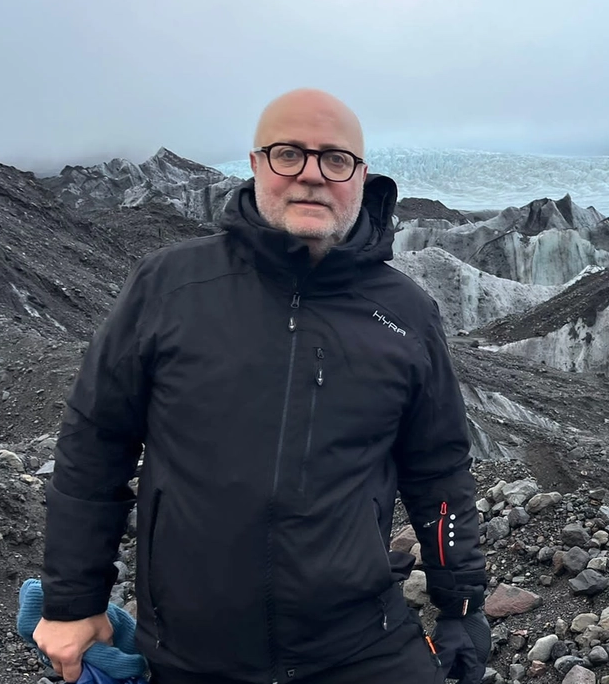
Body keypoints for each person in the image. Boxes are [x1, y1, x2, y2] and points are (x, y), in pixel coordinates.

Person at [31, 89, 491, 684]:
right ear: (254, 165)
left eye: (335, 159)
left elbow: (440, 470)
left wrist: (460, 608)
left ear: (361, 176)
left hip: (359, 644)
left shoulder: (407, 313)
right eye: (288, 154)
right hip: (189, 651)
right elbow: (95, 446)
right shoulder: (169, 287)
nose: (311, 175)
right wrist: (73, 602)